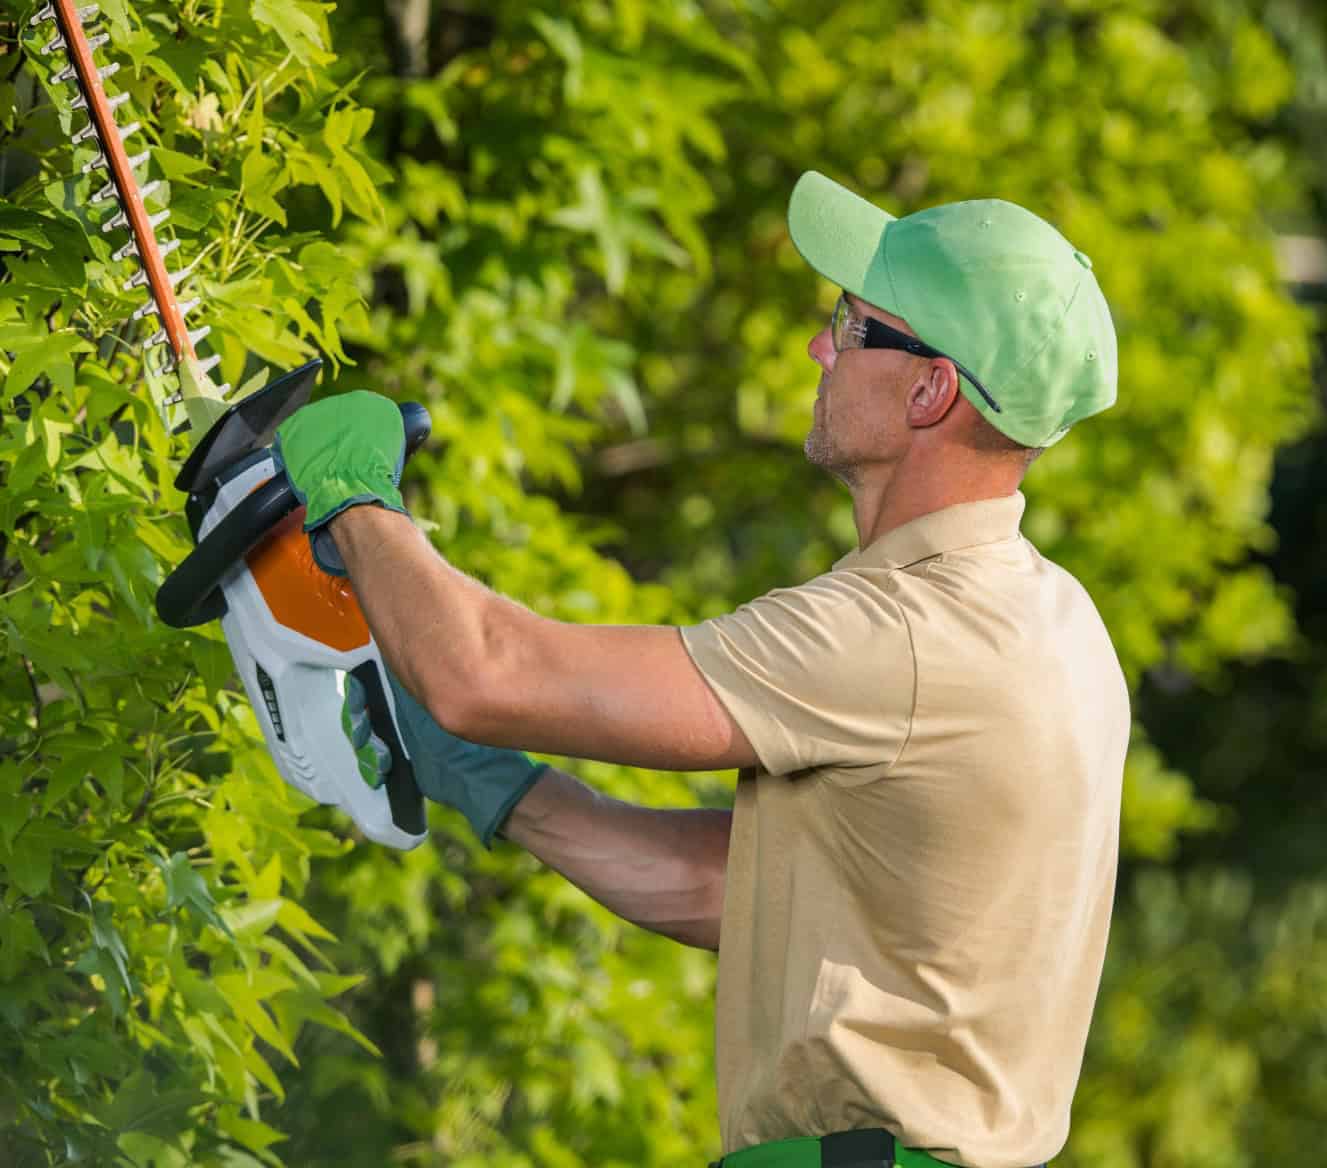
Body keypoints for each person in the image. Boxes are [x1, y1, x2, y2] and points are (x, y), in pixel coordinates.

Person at [276, 170, 1129, 1168]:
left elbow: (484, 669)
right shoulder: (1055, 620)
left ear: (931, 387)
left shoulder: (900, 635)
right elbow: (744, 895)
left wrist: (355, 497)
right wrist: (491, 779)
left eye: (851, 326)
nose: (820, 346)